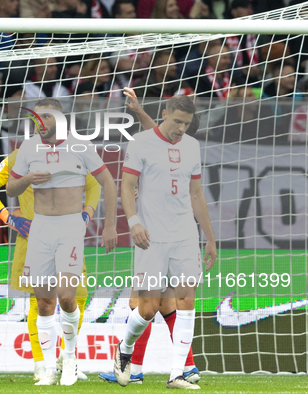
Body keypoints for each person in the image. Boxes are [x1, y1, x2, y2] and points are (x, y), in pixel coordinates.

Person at [7, 97, 118, 386]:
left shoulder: (80, 145)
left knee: (67, 298)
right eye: (36, 119)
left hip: (70, 227)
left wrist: (109, 225)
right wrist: (29, 177)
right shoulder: (28, 147)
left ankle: (69, 358)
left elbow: (107, 181)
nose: (39, 124)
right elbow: (10, 187)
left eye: (45, 118)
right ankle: (46, 368)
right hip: (40, 228)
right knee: (44, 302)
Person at [112, 94, 216, 389]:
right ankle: (125, 349)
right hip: (151, 237)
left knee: (186, 301)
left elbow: (196, 194)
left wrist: (209, 237)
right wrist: (134, 222)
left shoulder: (192, 147)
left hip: (185, 235)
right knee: (147, 308)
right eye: (176, 121)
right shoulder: (141, 143)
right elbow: (127, 186)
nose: (181, 128)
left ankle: (178, 373)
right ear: (165, 114)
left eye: (186, 124)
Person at [0, 145, 102, 381]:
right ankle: (42, 365)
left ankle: (67, 359)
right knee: (41, 302)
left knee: (77, 296)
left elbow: (94, 184)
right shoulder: (20, 156)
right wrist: (10, 218)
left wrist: (87, 212)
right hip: (35, 237)